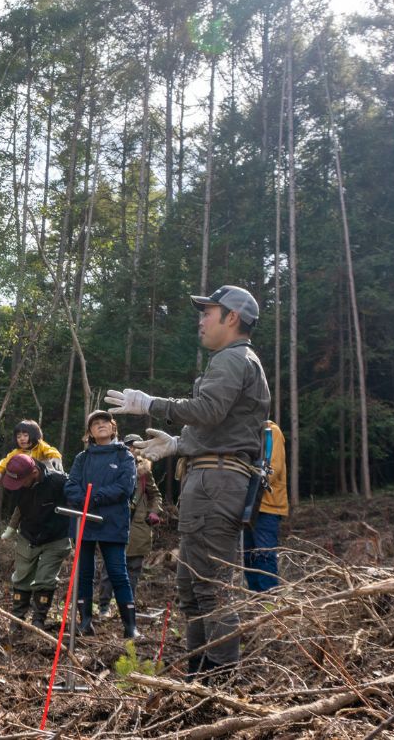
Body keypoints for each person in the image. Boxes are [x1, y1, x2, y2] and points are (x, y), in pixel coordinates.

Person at [106, 284, 270, 678]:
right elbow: (222, 425)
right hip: (211, 476)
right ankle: (200, 673)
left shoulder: (233, 359)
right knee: (192, 586)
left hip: (216, 483)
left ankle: (219, 678)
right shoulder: (235, 360)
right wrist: (179, 444)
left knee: (210, 585)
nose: (200, 319)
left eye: (207, 312)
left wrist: (151, 405)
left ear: (231, 318)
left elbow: (208, 410)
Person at [64, 410, 137, 639]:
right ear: (90, 432)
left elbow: (125, 488)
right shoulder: (82, 458)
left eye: (105, 421)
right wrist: (83, 498)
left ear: (113, 427)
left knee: (117, 572)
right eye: (95, 423)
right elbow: (71, 486)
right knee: (84, 573)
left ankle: (130, 625)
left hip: (113, 522)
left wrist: (93, 496)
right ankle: (85, 622)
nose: (101, 425)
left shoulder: (125, 456)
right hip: (83, 521)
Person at [0, 454, 70, 631]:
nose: (17, 486)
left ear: (35, 472)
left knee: (45, 579)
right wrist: (11, 528)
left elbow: (78, 501)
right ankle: (17, 618)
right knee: (21, 577)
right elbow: (20, 507)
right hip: (28, 535)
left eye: (21, 481)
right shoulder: (16, 485)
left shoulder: (59, 482)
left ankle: (38, 620)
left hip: (56, 537)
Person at [95, 433, 162, 619]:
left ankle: (127, 607)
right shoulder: (112, 466)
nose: (133, 449)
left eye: (137, 446)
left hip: (138, 527)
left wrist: (154, 511)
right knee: (110, 568)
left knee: (133, 569)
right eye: (129, 446)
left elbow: (155, 495)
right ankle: (103, 607)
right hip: (114, 523)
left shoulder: (145, 471)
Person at [0, 421, 62, 541]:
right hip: (28, 486)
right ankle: (11, 528)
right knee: (21, 506)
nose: (22, 439)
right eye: (18, 436)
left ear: (34, 435)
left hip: (45, 483)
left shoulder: (40, 446)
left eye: (25, 435)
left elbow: (50, 450)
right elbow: (6, 461)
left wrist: (55, 457)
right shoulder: (16, 453)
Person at [243, 421, 287, 592]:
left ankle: (270, 603)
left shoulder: (271, 432)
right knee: (248, 558)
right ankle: (257, 603)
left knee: (265, 556)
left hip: (266, 506)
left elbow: (271, 470)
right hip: (246, 508)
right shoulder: (244, 432)